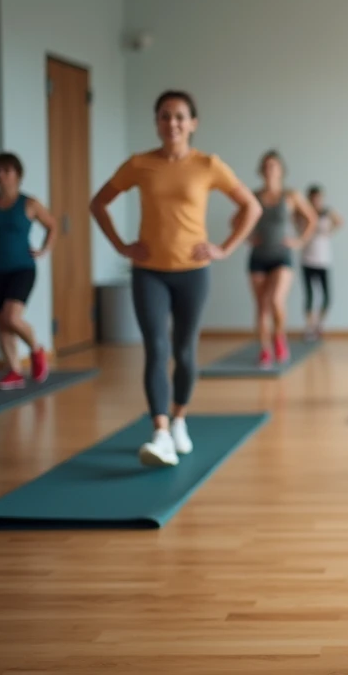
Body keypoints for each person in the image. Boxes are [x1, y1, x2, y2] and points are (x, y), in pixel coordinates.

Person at [90, 90, 261, 467]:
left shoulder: (208, 165)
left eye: (180, 117)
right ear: (157, 122)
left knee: (184, 353)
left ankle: (179, 418)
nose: (173, 123)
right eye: (165, 116)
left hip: (193, 274)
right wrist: (121, 245)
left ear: (193, 124)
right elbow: (98, 203)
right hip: (148, 272)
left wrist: (224, 249)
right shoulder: (139, 164)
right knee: (156, 348)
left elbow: (252, 206)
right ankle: (160, 432)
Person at [0, 153, 57, 390]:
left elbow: (52, 225)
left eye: (6, 171)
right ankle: (14, 371)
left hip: (22, 269)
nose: (0, 175)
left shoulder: (29, 203)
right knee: (1, 323)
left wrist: (45, 249)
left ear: (17, 175)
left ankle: (37, 350)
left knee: (12, 318)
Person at [245, 151, 317, 367]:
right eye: (266, 166)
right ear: (261, 170)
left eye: (274, 166)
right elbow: (236, 220)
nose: (270, 170)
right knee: (261, 306)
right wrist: (248, 237)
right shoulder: (253, 196)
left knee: (276, 300)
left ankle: (279, 337)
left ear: (281, 170)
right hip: (258, 257)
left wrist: (299, 241)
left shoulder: (291, 196)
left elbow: (311, 218)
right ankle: (265, 350)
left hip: (282, 256)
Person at [300, 185, 343, 340]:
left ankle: (319, 324)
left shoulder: (327, 212)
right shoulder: (304, 213)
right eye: (313, 198)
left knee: (326, 296)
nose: (316, 201)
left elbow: (339, 221)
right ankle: (309, 327)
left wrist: (329, 231)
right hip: (307, 259)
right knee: (310, 296)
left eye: (318, 198)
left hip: (324, 260)